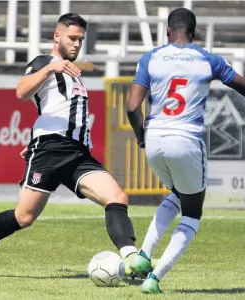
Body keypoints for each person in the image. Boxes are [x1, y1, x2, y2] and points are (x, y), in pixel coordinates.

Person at [0, 13, 140, 269]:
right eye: (72, 38)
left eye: (80, 39)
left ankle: (132, 258)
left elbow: (57, 110)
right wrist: (50, 68)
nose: (77, 44)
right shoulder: (44, 63)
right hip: (50, 151)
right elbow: (21, 92)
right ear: (57, 36)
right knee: (23, 218)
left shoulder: (73, 72)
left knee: (117, 196)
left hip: (78, 153)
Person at [126, 8, 245, 294]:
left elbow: (131, 107)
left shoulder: (150, 57)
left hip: (154, 138)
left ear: (168, 31)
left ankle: (143, 255)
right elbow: (241, 85)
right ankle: (154, 279)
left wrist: (141, 138)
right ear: (194, 33)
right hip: (186, 138)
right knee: (192, 212)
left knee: (178, 193)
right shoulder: (208, 59)